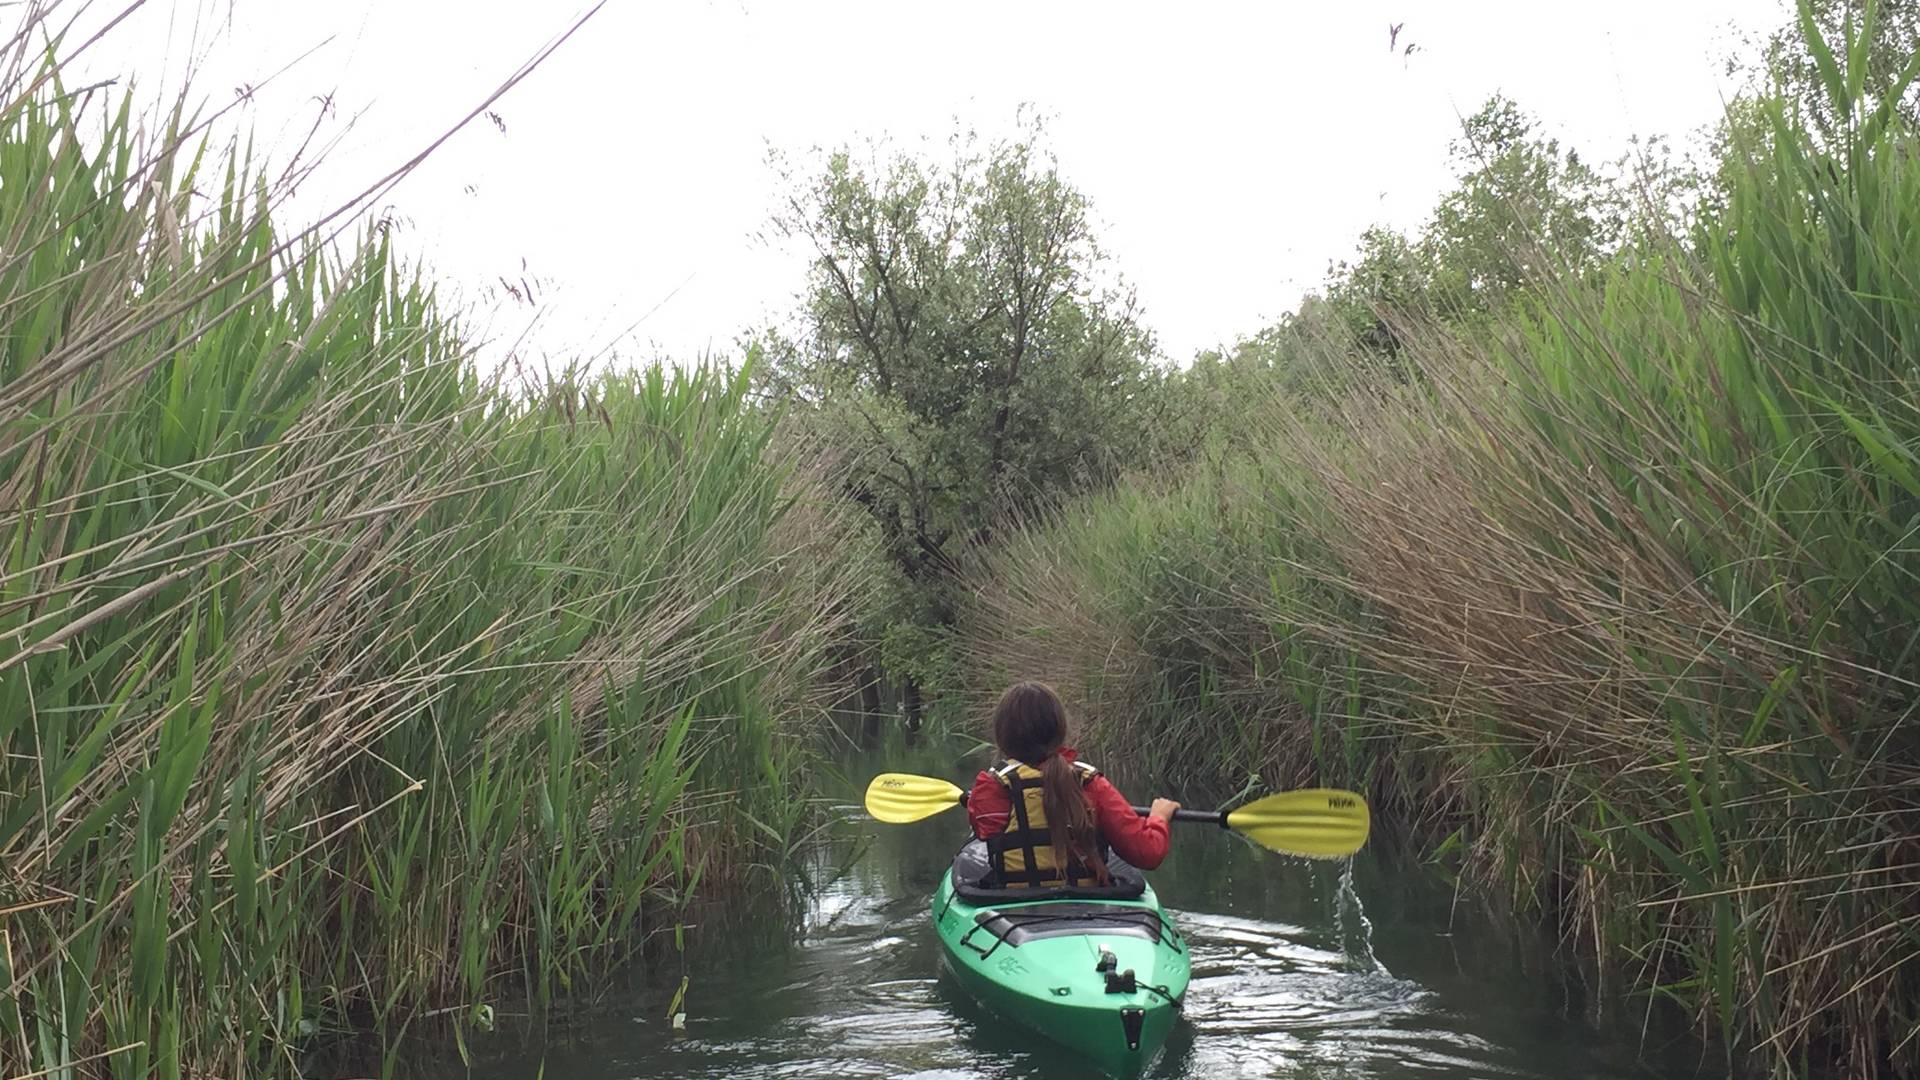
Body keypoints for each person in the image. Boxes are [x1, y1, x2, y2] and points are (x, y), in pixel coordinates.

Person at [966, 680, 1180, 889]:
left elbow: (984, 829)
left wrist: (972, 801)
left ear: (1002, 736)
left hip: (1012, 902)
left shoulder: (991, 786)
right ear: (1059, 729)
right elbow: (1148, 853)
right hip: (1087, 903)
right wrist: (1159, 818)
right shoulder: (1088, 782)